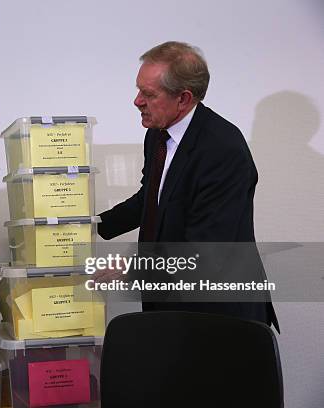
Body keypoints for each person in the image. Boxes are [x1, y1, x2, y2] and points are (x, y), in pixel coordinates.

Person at [97, 41, 278, 331]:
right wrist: (91, 224)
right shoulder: (158, 132)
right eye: (138, 90)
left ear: (183, 98)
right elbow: (152, 198)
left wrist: (133, 268)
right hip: (167, 299)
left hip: (215, 310)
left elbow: (205, 249)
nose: (137, 101)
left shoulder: (222, 149)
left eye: (148, 94)